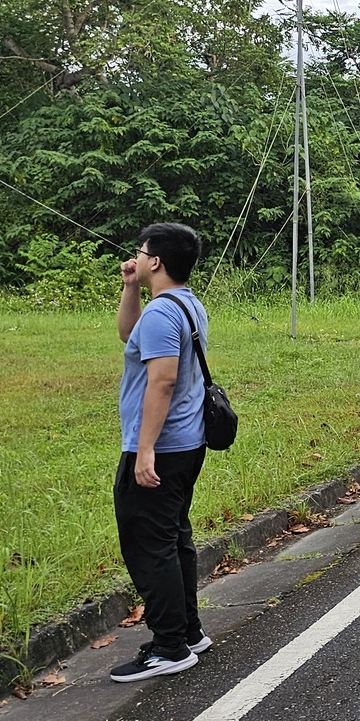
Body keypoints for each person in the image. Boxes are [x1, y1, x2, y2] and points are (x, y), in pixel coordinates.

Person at [109, 222, 214, 682]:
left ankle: (170, 646)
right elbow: (129, 335)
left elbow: (163, 380)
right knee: (172, 537)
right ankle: (188, 631)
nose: (135, 256)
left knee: (149, 544)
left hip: (162, 446)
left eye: (141, 252)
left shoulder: (162, 314)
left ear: (156, 261)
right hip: (188, 442)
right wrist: (130, 287)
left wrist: (144, 449)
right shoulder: (185, 304)